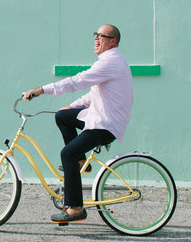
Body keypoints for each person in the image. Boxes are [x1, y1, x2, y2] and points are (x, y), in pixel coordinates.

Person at [22, 24, 132, 224]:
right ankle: (80, 161)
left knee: (67, 154)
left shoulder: (110, 62)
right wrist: (70, 107)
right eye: (95, 35)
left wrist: (42, 90)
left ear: (113, 41)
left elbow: (77, 81)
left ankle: (75, 208)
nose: (96, 39)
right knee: (62, 116)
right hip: (100, 118)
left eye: (101, 36)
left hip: (106, 124)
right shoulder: (109, 62)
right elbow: (93, 94)